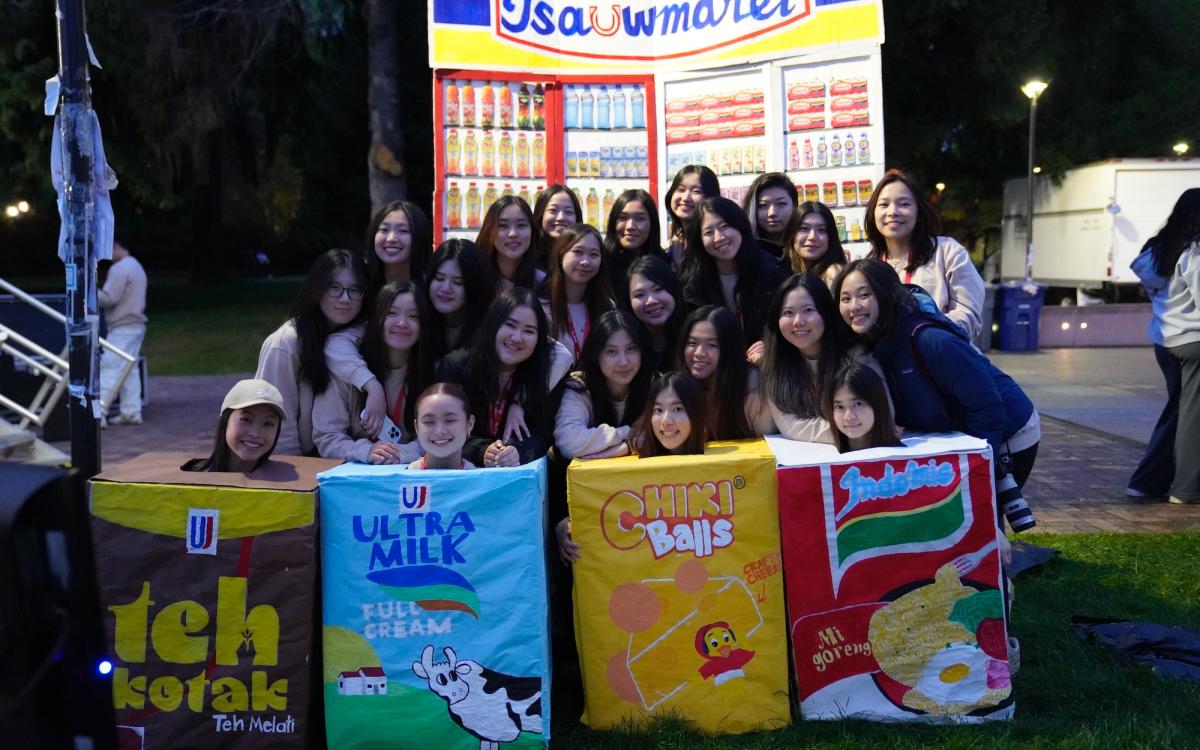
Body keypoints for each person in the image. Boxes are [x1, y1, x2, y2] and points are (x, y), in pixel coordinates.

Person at [836, 259, 1040, 531]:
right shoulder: (871, 342)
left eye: (865, 295)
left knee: (980, 512)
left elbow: (988, 407)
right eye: (845, 298)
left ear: (886, 294)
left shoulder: (930, 339)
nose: (854, 306)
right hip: (956, 433)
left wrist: (980, 470)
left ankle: (994, 568)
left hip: (1009, 433)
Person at [256, 249, 370, 456]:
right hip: (301, 464)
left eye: (355, 289)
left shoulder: (361, 337)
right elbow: (276, 422)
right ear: (317, 289)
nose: (345, 298)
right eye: (334, 288)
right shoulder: (286, 344)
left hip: (350, 458)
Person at [1127, 188, 1200, 504]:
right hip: (1194, 341)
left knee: (1178, 411)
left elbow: (1144, 277)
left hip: (1164, 342)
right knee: (1192, 415)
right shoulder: (1195, 253)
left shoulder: (1158, 250)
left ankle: (1146, 483)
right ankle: (1186, 489)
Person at [436, 287, 561, 467]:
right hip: (462, 479)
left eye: (529, 331)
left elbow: (542, 434)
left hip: (518, 481)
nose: (517, 337)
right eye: (510, 325)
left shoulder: (546, 374)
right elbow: (443, 431)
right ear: (493, 324)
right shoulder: (455, 368)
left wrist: (516, 452)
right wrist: (482, 451)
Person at [760, 273, 888, 443]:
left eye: (808, 310)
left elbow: (883, 416)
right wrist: (851, 431)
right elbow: (791, 426)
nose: (798, 321)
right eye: (788, 312)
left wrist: (859, 430)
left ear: (826, 313)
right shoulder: (774, 363)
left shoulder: (855, 357)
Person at [312, 281, 431, 464]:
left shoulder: (432, 373)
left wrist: (405, 453)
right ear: (377, 320)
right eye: (391, 313)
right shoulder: (346, 370)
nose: (402, 323)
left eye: (413, 316)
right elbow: (327, 436)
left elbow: (441, 434)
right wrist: (365, 451)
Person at [864, 169, 985, 339]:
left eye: (904, 204)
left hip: (942, 360)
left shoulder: (948, 252)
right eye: (884, 204)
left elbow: (968, 312)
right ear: (873, 213)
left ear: (919, 211)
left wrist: (924, 336)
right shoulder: (868, 267)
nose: (893, 212)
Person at [681, 196, 788, 345]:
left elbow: (784, 322)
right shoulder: (693, 282)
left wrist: (769, 346)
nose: (719, 238)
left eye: (724, 226)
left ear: (740, 226)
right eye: (708, 232)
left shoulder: (771, 271)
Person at [553, 310, 650, 460]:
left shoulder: (654, 385)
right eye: (611, 352)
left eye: (631, 349)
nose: (623, 362)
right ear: (596, 354)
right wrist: (628, 433)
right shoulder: (579, 386)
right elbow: (569, 442)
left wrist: (627, 448)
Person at [678, 305, 772, 439]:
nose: (699, 353)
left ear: (730, 349)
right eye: (692, 343)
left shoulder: (752, 387)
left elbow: (770, 447)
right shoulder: (679, 386)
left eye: (712, 345)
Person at [542, 224, 615, 365]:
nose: (585, 262)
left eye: (594, 254)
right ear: (561, 254)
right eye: (578, 252)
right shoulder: (540, 306)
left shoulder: (608, 306)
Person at [182, 379, 286, 472]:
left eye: (268, 423)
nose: (255, 433)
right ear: (225, 421)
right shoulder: (191, 478)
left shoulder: (285, 484)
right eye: (246, 419)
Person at [98, 238, 147, 427]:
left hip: (122, 326)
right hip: (136, 325)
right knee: (129, 370)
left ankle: (99, 412)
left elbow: (110, 298)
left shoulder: (119, 269)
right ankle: (131, 411)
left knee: (110, 367)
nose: (106, 255)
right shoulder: (136, 266)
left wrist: (89, 290)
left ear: (116, 246)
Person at [424, 238, 495, 364]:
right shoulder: (419, 322)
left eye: (458, 282)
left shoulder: (490, 332)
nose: (446, 289)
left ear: (475, 286)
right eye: (439, 278)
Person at [626, 254, 687, 375]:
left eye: (658, 289)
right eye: (639, 295)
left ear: (673, 289)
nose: (651, 301)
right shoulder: (625, 344)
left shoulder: (692, 337)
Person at [823, 364, 903, 453]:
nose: (848, 416)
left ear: (878, 404)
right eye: (840, 407)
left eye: (858, 404)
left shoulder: (909, 461)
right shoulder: (825, 462)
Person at [602, 189, 668, 289]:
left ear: (652, 223)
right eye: (622, 218)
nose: (630, 226)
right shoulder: (601, 264)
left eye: (640, 218)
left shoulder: (665, 264)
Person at [634, 371, 707, 457]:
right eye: (658, 410)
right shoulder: (636, 460)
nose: (666, 420)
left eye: (677, 409)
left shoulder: (719, 461)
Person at [477, 195, 543, 292]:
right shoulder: (475, 277)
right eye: (503, 225)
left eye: (521, 225)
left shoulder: (542, 283)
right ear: (489, 230)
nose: (513, 234)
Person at [365, 200, 432, 291]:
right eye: (384, 230)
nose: (391, 238)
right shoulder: (360, 281)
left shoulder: (432, 287)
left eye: (403, 231)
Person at [409, 382, 477, 470]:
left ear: (469, 424)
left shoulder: (479, 480)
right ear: (417, 427)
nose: (439, 431)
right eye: (429, 422)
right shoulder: (403, 479)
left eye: (450, 420)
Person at [664, 165, 720, 269]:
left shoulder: (717, 243)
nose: (685, 198)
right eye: (681, 189)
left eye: (696, 191)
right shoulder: (673, 247)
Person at [785, 201, 847, 288]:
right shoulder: (781, 269)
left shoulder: (833, 274)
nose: (812, 237)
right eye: (804, 228)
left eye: (821, 230)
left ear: (830, 236)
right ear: (792, 234)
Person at [741, 172, 798, 259]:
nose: (772, 213)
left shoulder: (805, 246)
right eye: (763, 205)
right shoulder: (744, 250)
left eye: (781, 203)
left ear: (794, 206)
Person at [533, 184, 584, 270]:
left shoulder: (585, 255)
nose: (561, 218)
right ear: (540, 214)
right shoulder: (528, 256)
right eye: (553, 210)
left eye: (568, 212)